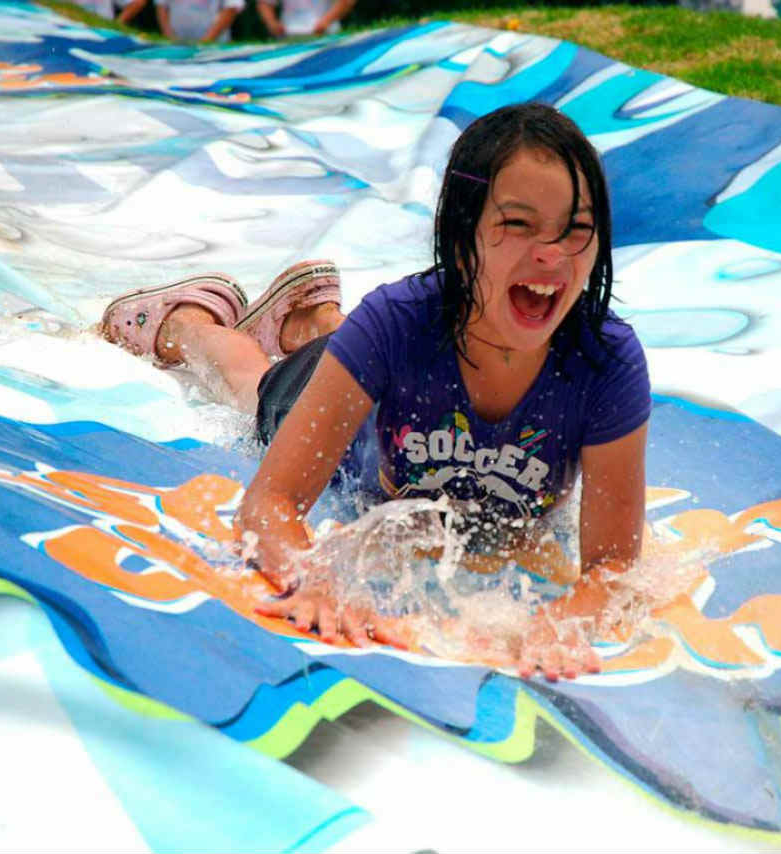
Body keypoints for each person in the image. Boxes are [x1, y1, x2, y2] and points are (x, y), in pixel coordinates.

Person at [99, 103, 651, 680]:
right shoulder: (395, 322)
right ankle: (190, 322)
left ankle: (312, 319)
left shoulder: (604, 362)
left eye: (577, 230)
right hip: (326, 388)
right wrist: (314, 578)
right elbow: (268, 504)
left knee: (353, 344)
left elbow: (613, 569)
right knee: (250, 384)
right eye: (518, 224)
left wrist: (558, 623)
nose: (552, 255)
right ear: (460, 233)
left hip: (368, 361)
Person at [154, 0, 245, 43]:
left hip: (214, 47)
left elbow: (231, 8)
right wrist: (170, 37)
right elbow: (161, 7)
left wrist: (206, 41)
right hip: (176, 45)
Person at [257, 0, 355, 38]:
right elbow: (265, 3)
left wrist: (326, 21)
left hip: (326, 37)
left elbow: (347, 2)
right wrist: (272, 24)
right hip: (289, 38)